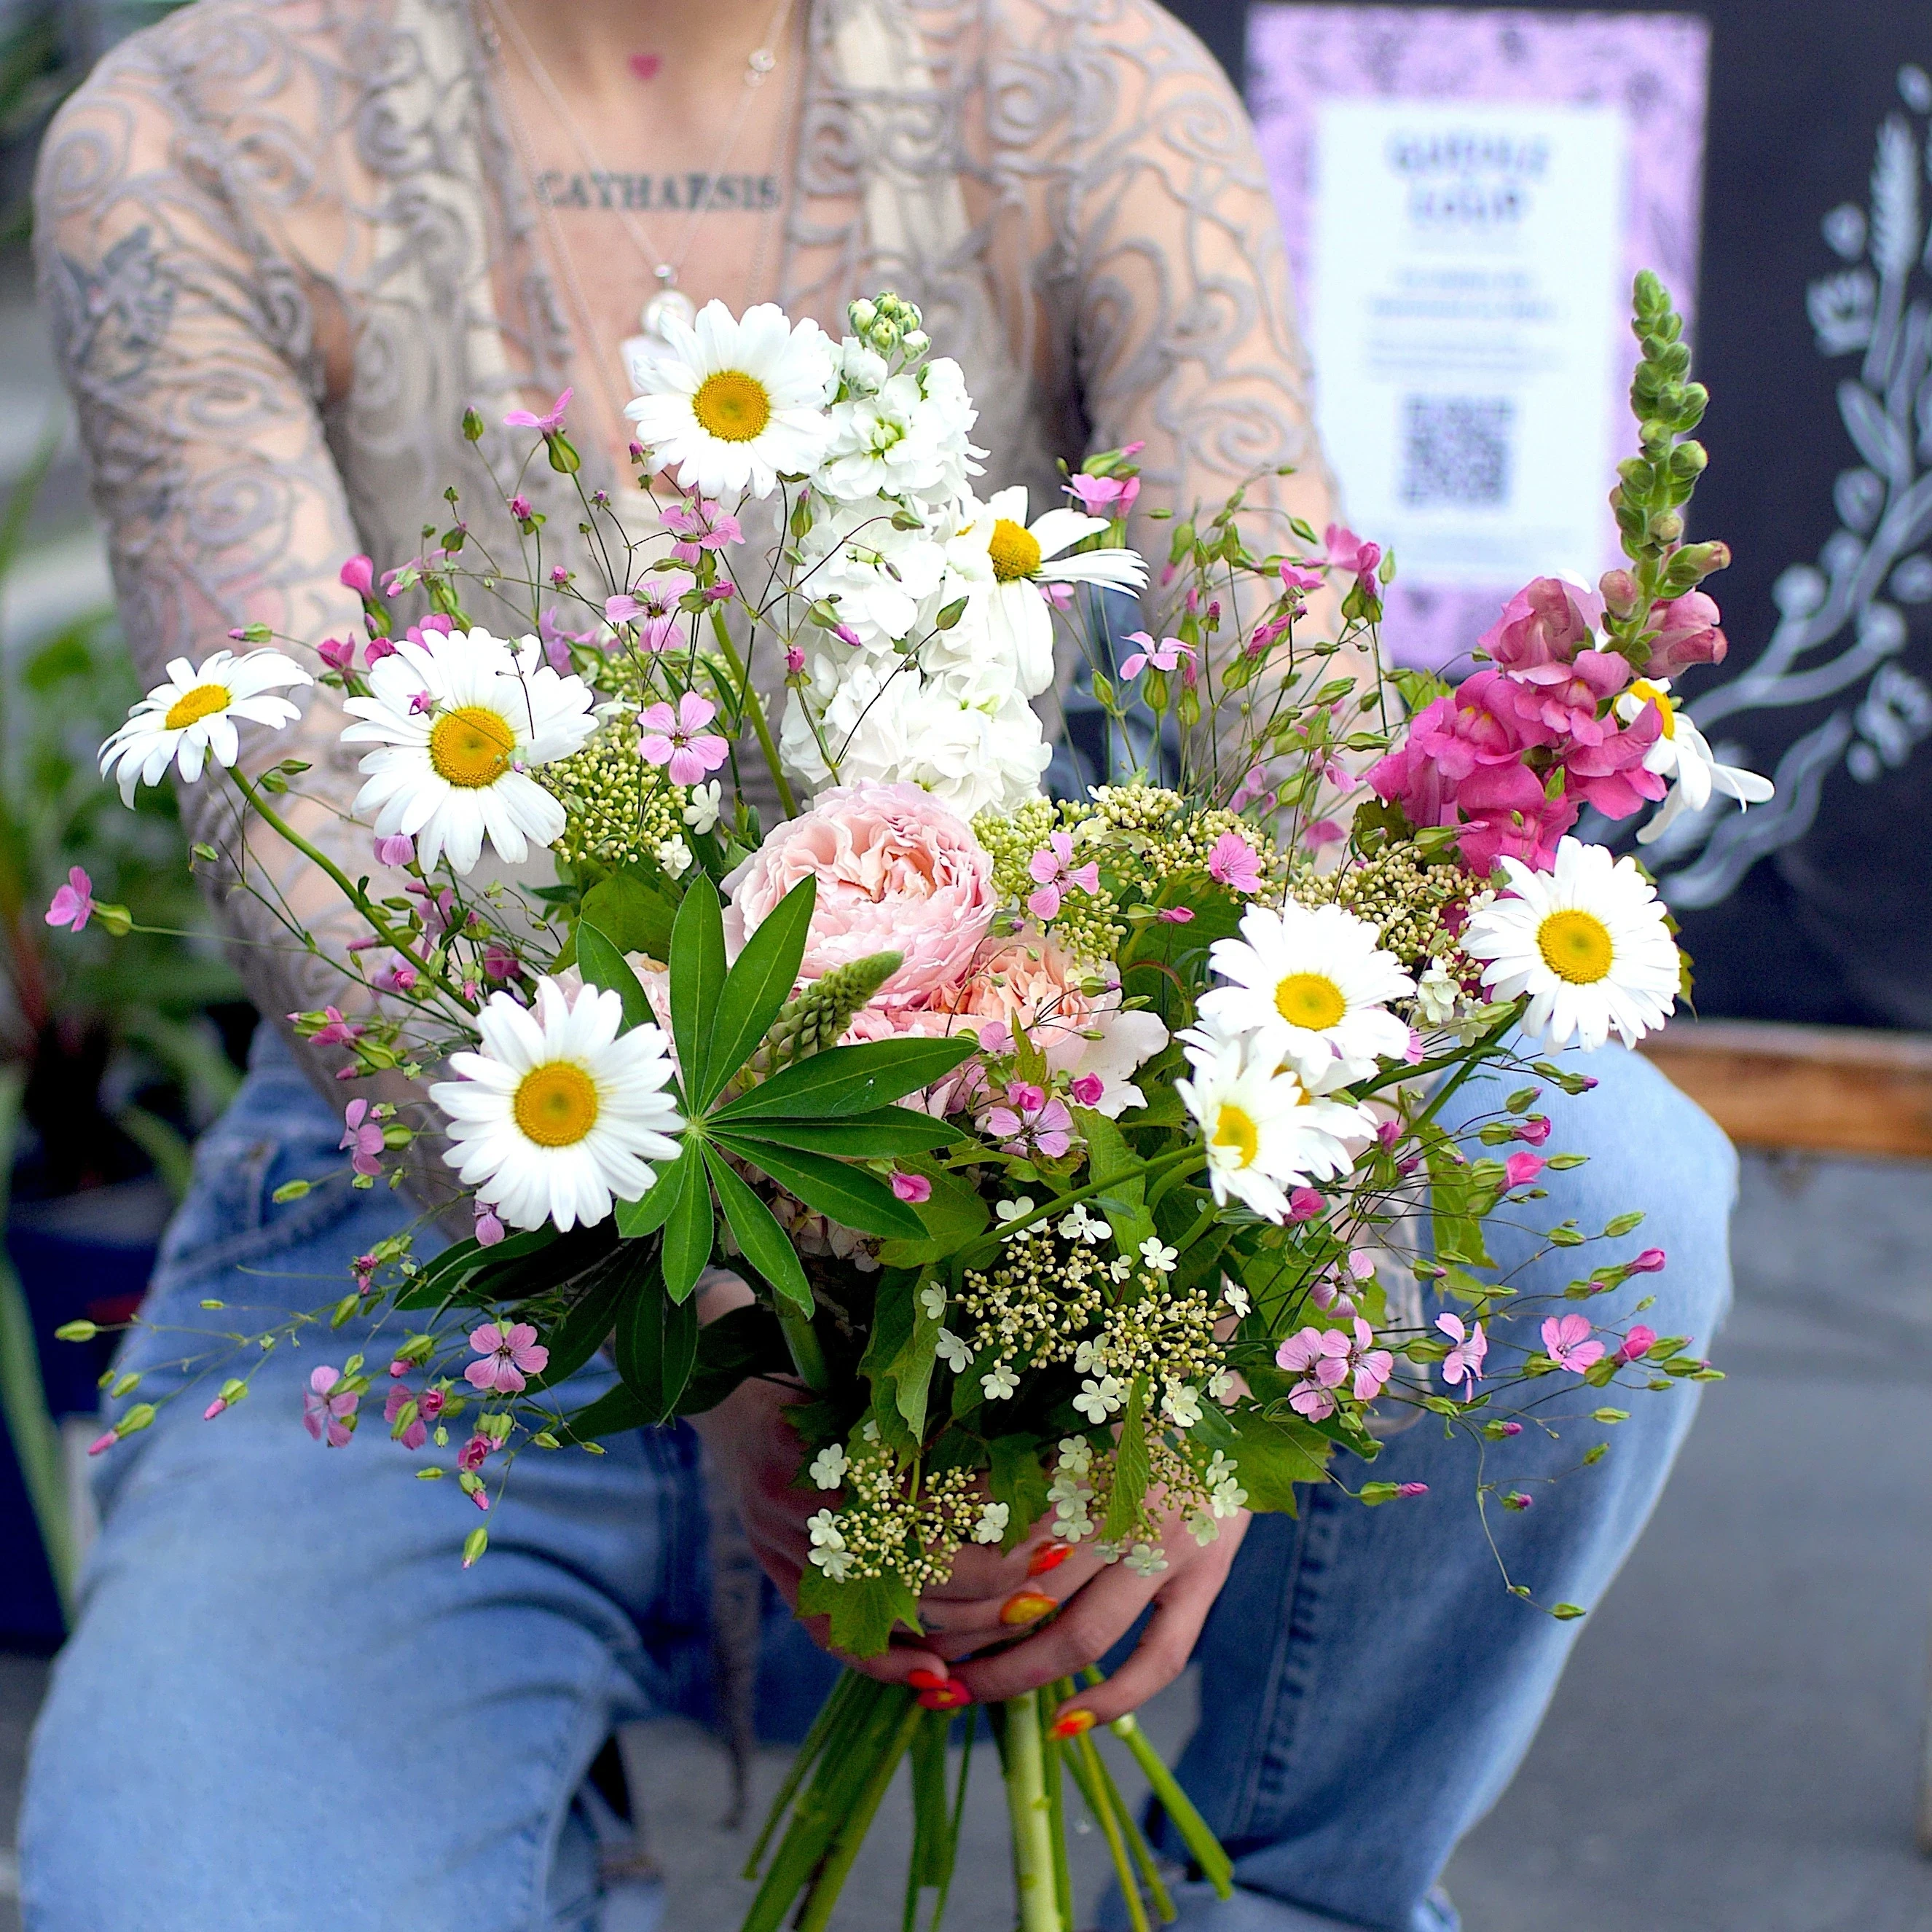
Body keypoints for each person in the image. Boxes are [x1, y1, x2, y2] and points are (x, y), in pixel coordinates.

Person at [20, 1, 1736, 1928]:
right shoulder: (192, 133)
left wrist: (1216, 1363)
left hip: (1034, 1128)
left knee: (1601, 1169)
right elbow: (306, 856)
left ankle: (1297, 1889)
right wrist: (744, 1328)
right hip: (438, 1226)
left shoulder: (1082, 82)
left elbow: (1299, 721)